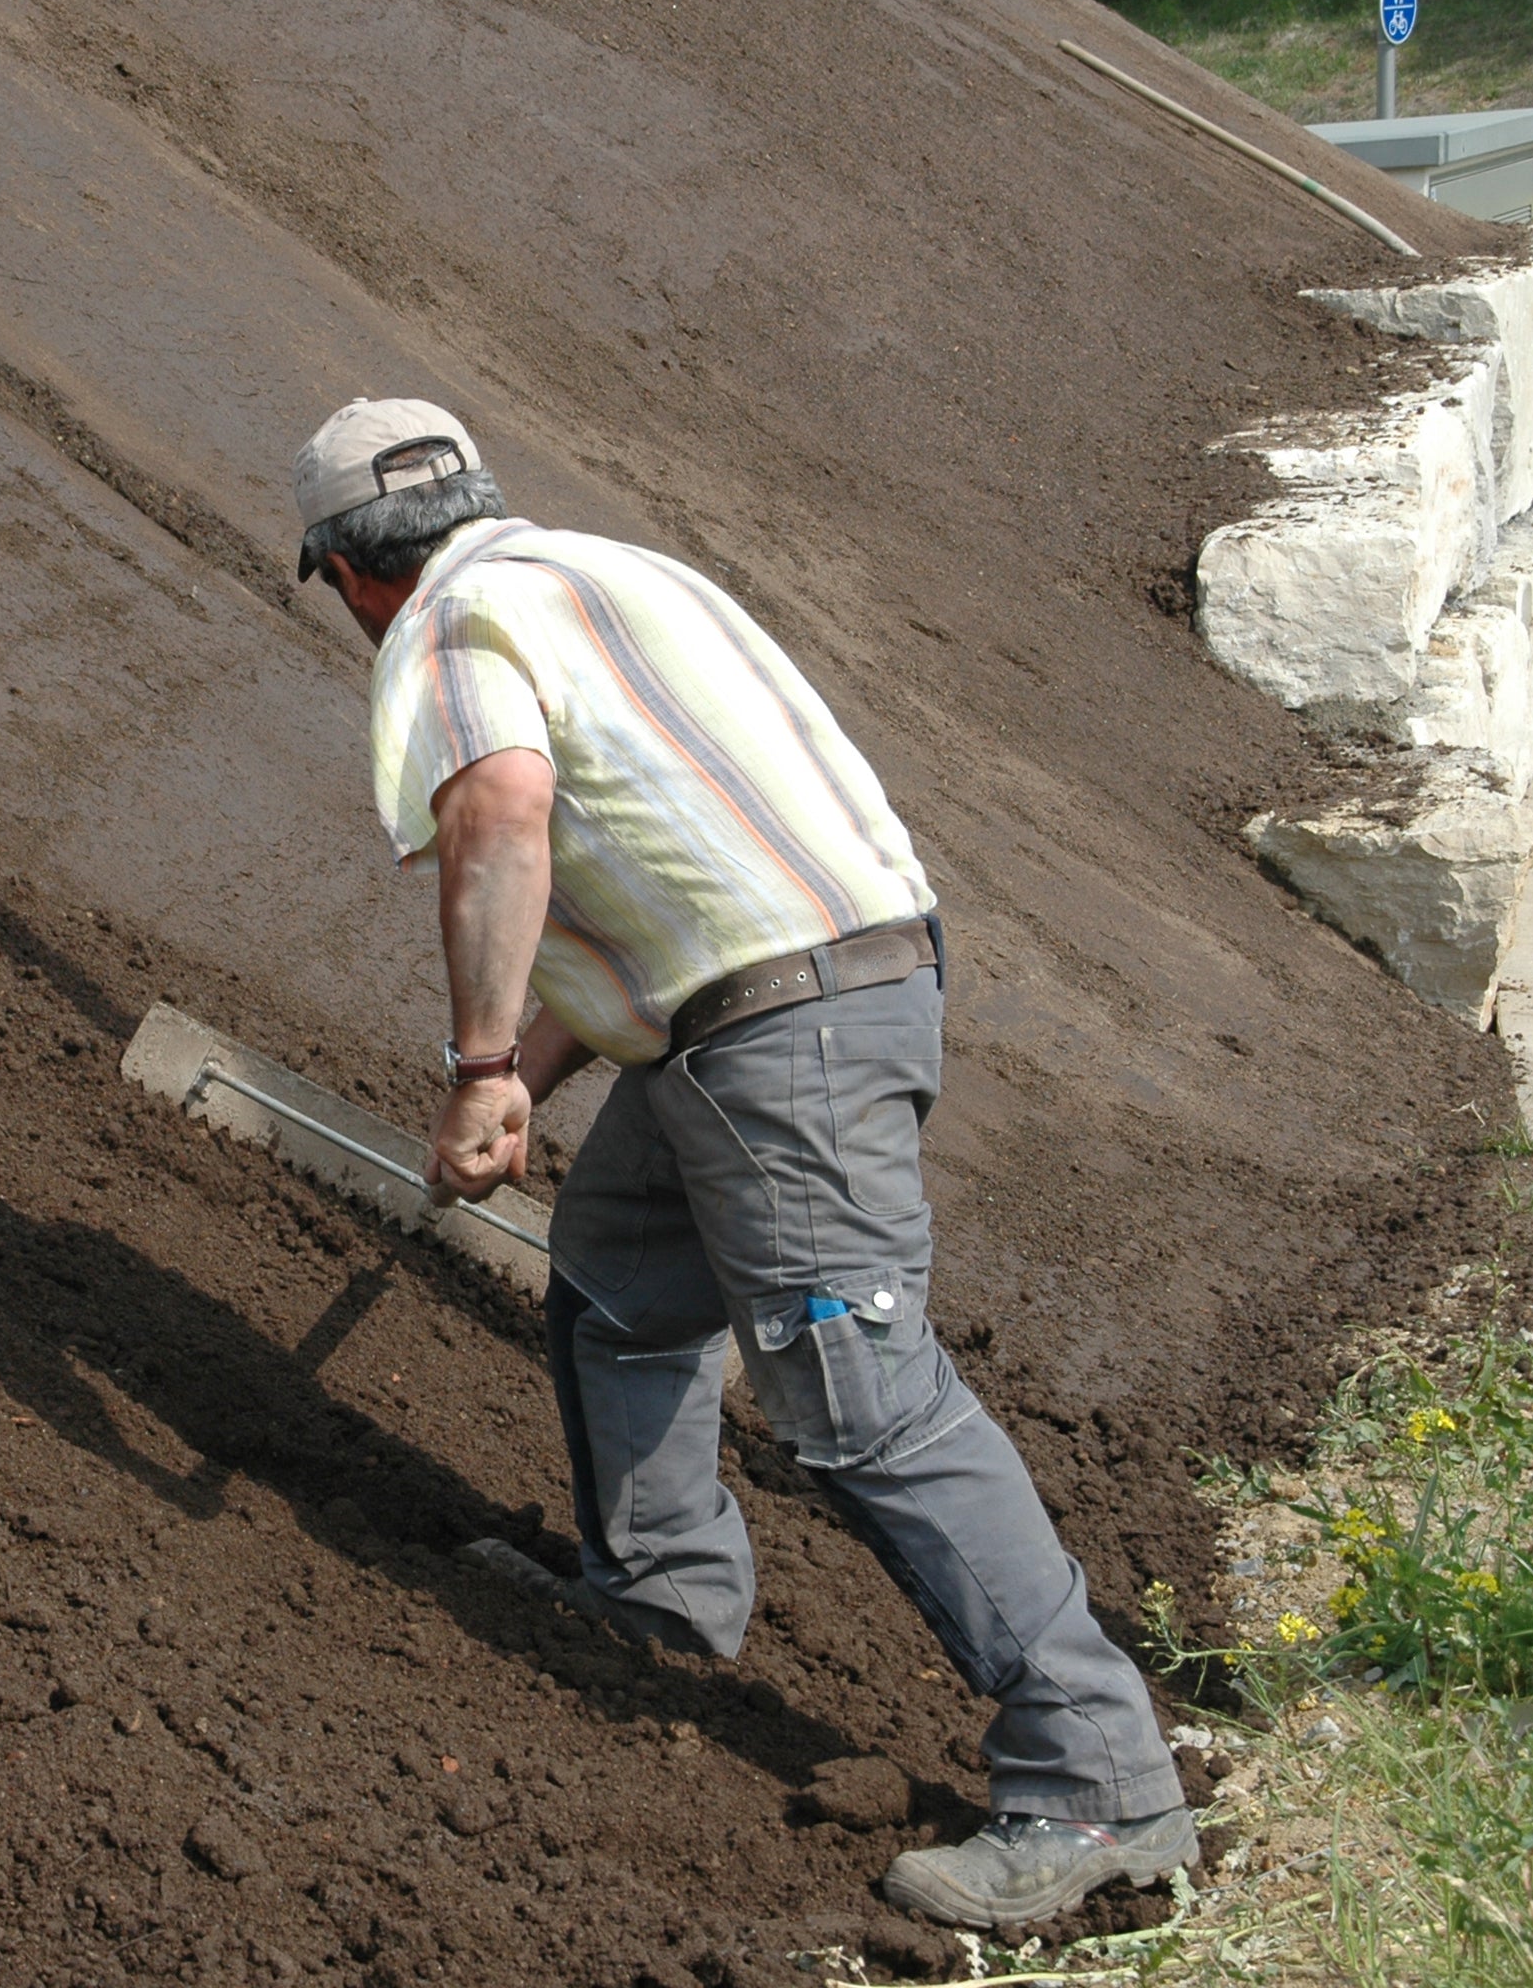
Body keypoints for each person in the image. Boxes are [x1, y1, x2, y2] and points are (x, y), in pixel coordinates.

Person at [291, 396, 1197, 1931]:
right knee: (623, 1282)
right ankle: (657, 1599)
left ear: (350, 569)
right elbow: (683, 864)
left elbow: (503, 817)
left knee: (861, 1403)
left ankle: (1098, 1785)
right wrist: (530, 1084)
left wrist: (479, 1066)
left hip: (781, 1040)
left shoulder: (441, 632)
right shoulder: (610, 573)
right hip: (811, 989)